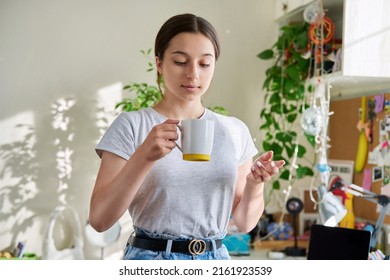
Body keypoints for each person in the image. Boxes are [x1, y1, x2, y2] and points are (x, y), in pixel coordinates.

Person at [89, 13, 285, 260]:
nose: (193, 74)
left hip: (216, 258)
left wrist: (255, 185)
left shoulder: (234, 130)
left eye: (204, 64)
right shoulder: (132, 125)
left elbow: (244, 223)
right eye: (181, 62)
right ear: (159, 64)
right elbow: (99, 220)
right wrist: (143, 157)